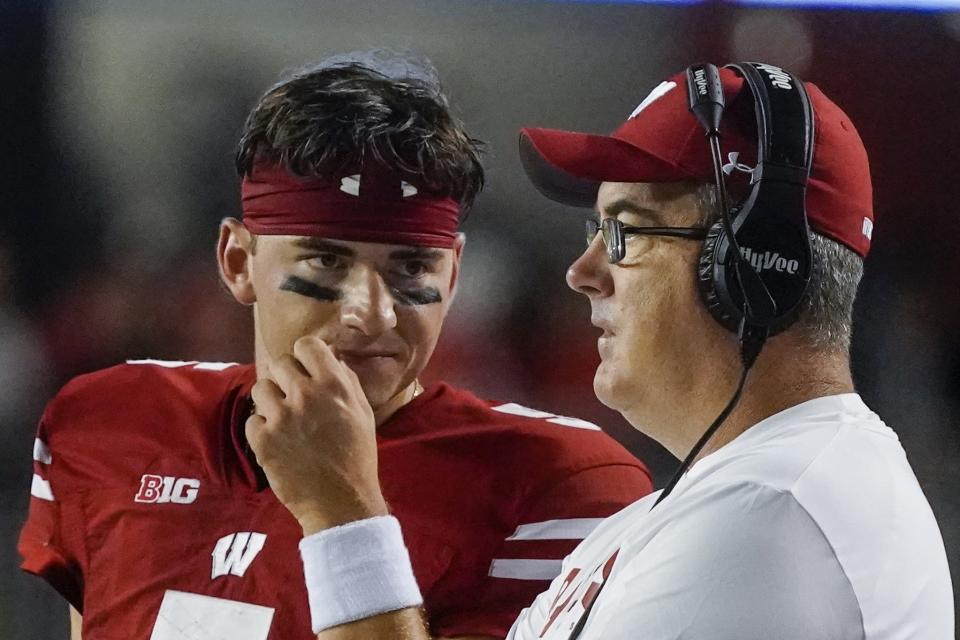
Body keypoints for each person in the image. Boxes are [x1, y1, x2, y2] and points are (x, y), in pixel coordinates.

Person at [235, 62, 953, 639]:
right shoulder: (733, 499)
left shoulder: (763, 531)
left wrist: (347, 523)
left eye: (625, 234)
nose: (583, 274)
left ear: (751, 270)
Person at [18, 53, 654, 640]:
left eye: (412, 269)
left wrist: (343, 514)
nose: (370, 314)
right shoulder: (113, 419)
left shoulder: (560, 484)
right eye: (325, 261)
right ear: (238, 262)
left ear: (453, 275)